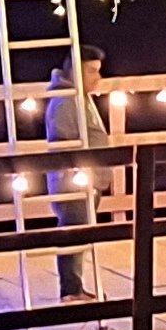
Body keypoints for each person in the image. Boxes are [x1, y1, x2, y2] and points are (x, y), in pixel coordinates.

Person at [41, 49, 112, 302]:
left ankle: (76, 286)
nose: (98, 77)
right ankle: (70, 288)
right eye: (91, 71)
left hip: (89, 178)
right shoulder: (65, 101)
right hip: (74, 181)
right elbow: (64, 141)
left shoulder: (82, 98)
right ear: (75, 70)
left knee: (81, 232)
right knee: (72, 230)